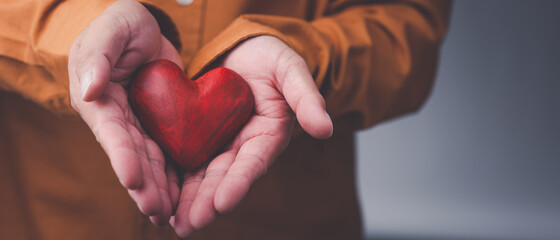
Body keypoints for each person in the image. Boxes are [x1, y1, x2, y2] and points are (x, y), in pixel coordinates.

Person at [0, 0, 451, 239]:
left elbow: (407, 28)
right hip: (47, 221)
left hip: (287, 225)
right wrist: (73, 34)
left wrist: (303, 60)